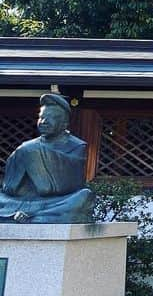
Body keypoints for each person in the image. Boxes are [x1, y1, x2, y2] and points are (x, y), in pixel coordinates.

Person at [0, 94, 93, 223]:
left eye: (50, 118)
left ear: (64, 124)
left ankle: (31, 216)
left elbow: (72, 184)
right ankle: (32, 216)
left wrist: (36, 156)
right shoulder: (26, 147)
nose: (43, 122)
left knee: (84, 196)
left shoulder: (76, 145)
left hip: (57, 201)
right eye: (41, 117)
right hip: (24, 201)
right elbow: (10, 188)